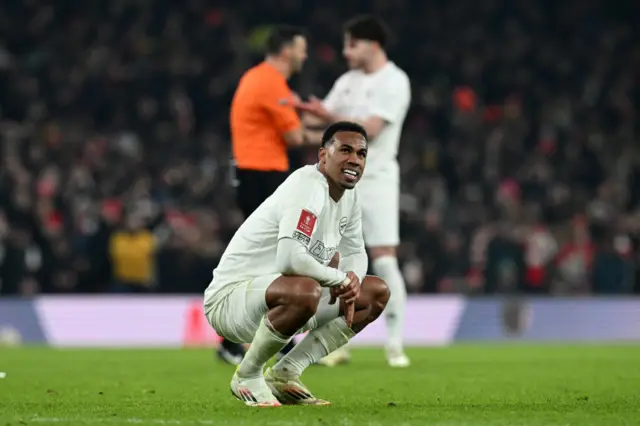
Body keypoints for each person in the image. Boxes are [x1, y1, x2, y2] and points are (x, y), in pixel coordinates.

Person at [203, 121, 390, 406]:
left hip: (284, 298)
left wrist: (352, 280)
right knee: (304, 289)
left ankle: (286, 373)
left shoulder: (349, 196)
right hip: (232, 300)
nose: (354, 159)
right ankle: (248, 374)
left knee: (373, 292)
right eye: (345, 150)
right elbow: (290, 259)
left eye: (361, 153)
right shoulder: (307, 188)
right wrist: (339, 279)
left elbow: (355, 251)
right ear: (323, 156)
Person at [298, 15, 412, 367]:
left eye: (352, 44)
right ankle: (333, 341)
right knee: (330, 256)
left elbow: (371, 131)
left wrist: (327, 115)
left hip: (376, 179)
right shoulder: (347, 81)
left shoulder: (394, 81)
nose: (346, 51)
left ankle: (394, 343)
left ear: (372, 45)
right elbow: (319, 121)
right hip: (338, 179)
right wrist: (304, 115)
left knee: (383, 256)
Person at [218, 25, 310, 365]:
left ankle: (254, 337)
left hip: (252, 171)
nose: (305, 55)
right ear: (286, 51)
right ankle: (253, 337)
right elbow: (296, 137)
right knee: (267, 256)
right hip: (262, 173)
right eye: (301, 48)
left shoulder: (257, 78)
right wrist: (337, 132)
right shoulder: (270, 82)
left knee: (264, 257)